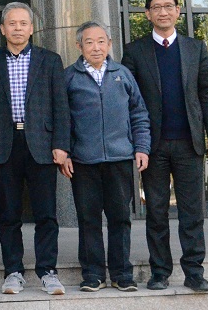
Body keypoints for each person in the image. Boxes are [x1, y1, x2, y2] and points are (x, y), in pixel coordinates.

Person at [122, 0, 208, 292]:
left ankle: (194, 272)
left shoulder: (195, 48)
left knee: (192, 213)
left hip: (189, 143)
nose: (163, 12)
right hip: (152, 145)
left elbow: (207, 93)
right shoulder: (135, 51)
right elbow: (129, 99)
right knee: (156, 212)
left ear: (178, 10)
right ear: (147, 14)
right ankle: (160, 272)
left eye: (168, 6)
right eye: (156, 7)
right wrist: (134, 142)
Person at [0, 2, 69, 296]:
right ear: (2, 28)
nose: (17, 28)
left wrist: (61, 144)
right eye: (12, 23)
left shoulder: (50, 60)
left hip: (42, 145)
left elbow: (61, 106)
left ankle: (48, 271)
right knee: (9, 215)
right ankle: (13, 272)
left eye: (23, 23)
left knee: (46, 214)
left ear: (31, 28)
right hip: (4, 145)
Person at [62, 21, 150, 293]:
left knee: (120, 218)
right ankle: (93, 274)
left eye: (101, 41)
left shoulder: (122, 74)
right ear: (79, 46)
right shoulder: (69, 77)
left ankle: (122, 274)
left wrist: (141, 147)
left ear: (109, 44)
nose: (96, 47)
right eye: (89, 42)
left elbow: (139, 113)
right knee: (88, 219)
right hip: (83, 161)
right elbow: (62, 119)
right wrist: (65, 152)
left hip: (119, 158)